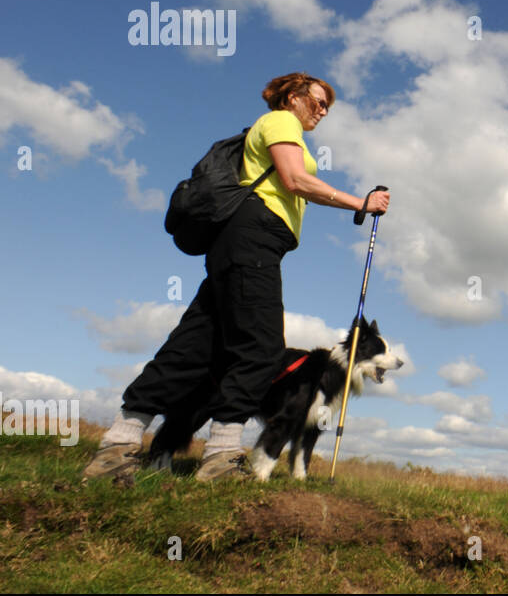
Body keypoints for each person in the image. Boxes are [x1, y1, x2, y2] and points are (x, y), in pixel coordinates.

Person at [83, 73, 391, 482]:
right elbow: (294, 180)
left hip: (237, 244)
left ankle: (118, 445)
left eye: (327, 106)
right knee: (262, 349)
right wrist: (361, 202)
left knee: (193, 348)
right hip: (254, 240)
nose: (322, 110)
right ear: (293, 96)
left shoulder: (272, 128)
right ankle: (222, 457)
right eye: (317, 101)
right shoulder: (282, 122)